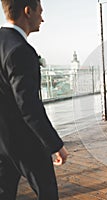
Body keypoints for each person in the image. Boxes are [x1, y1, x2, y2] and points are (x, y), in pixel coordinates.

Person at [0, 0, 68, 199]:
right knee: (47, 191)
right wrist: (54, 145)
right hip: (24, 140)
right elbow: (29, 107)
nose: (43, 18)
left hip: (1, 139)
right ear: (28, 11)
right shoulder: (20, 49)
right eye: (41, 11)